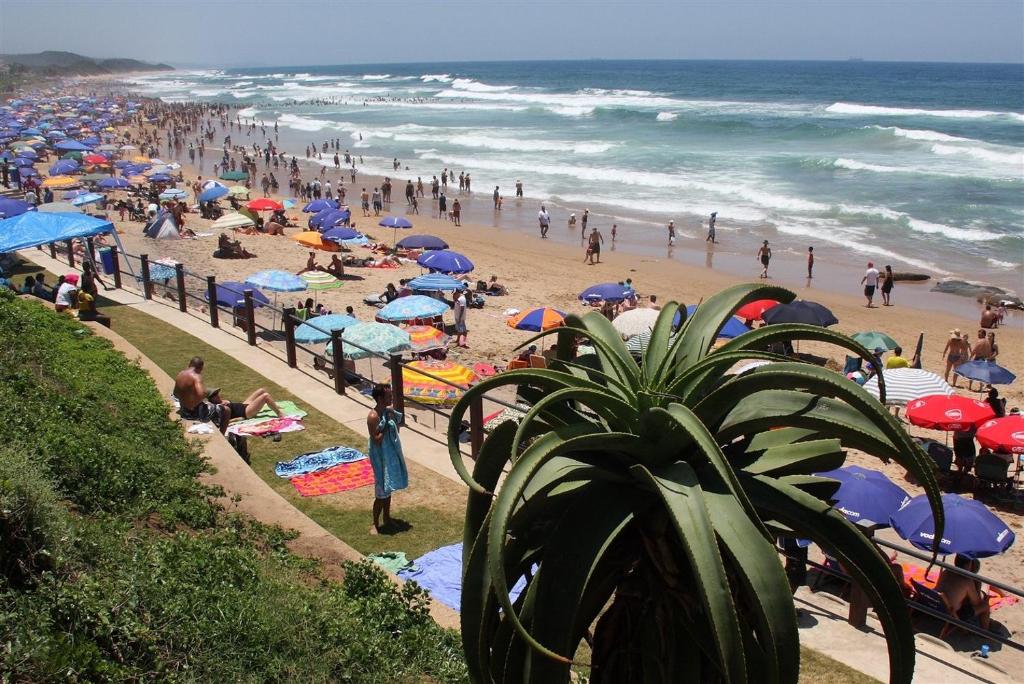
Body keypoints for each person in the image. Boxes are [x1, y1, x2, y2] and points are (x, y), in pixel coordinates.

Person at [173, 356, 281, 433]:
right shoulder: (196, 376)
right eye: (215, 395)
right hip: (246, 411)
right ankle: (280, 414)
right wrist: (195, 402)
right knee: (265, 396)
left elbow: (175, 393)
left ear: (190, 364)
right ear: (200, 368)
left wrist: (186, 400)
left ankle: (276, 407)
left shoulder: (181, 374)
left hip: (242, 405)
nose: (218, 395)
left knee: (262, 390)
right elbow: (202, 393)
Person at [366, 383, 408, 535]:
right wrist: (386, 426)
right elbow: (376, 439)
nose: (391, 398)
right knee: (380, 492)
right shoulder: (373, 417)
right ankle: (375, 523)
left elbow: (398, 424)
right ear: (379, 398)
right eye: (388, 396)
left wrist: (392, 420)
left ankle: (387, 518)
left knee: (387, 489)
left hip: (388, 453)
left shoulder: (387, 411)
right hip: (379, 456)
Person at [935, 555, 991, 631]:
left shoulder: (946, 571)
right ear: (968, 564)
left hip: (935, 605)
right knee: (985, 606)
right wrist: (978, 587)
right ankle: (985, 632)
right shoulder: (966, 581)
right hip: (951, 613)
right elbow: (976, 603)